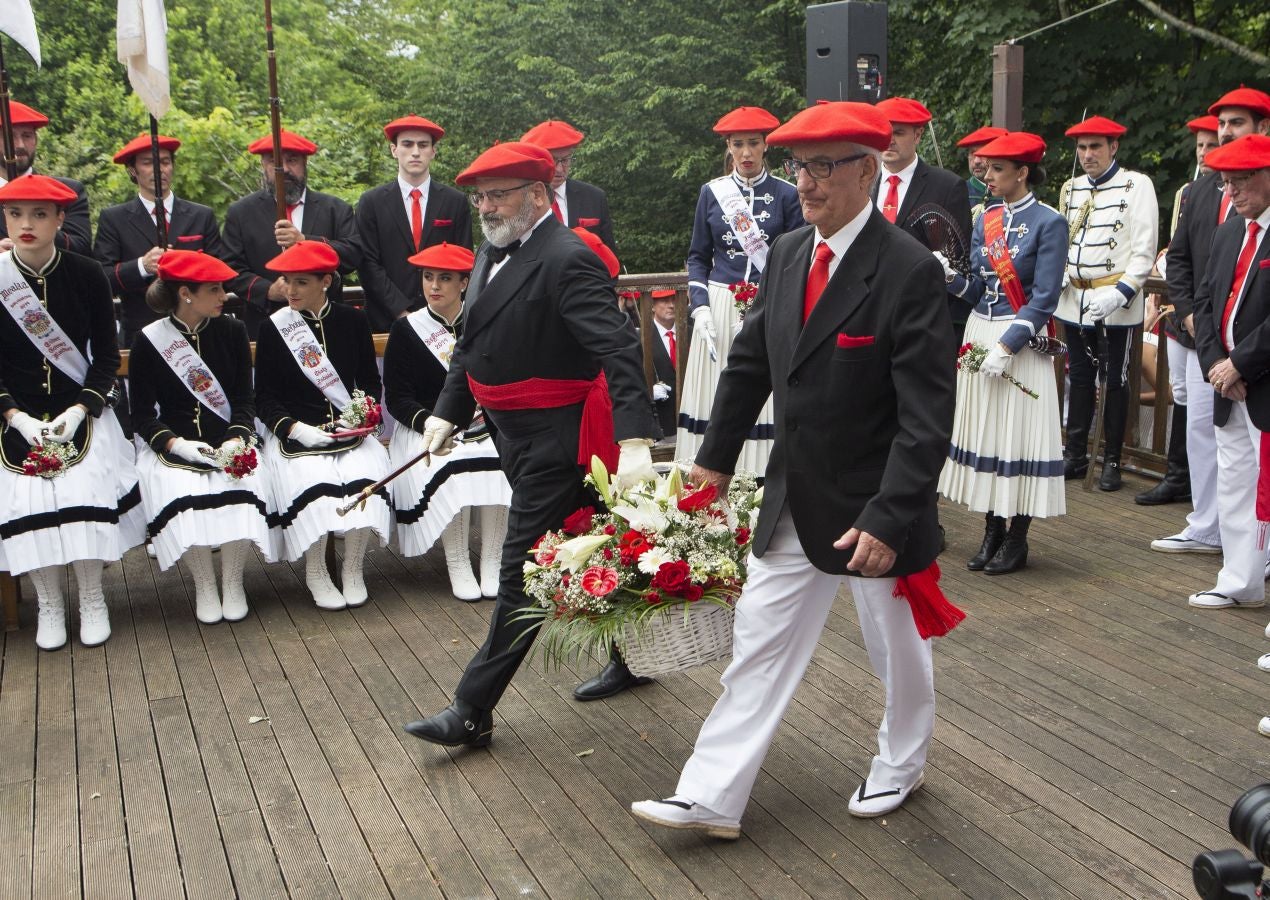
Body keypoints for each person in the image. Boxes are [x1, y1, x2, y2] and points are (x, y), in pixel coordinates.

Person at [631, 101, 955, 837]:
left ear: (867, 171)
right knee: (758, 641)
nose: (804, 183)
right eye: (798, 166)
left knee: (897, 652)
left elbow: (926, 417)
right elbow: (749, 366)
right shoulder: (785, 253)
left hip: (876, 506)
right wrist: (712, 463)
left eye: (822, 167)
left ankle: (902, 763)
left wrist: (889, 516)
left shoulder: (907, 269)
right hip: (794, 495)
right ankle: (711, 795)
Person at [402, 141, 656, 748]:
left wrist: (635, 439)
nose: (487, 207)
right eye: (480, 197)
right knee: (597, 542)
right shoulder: (489, 252)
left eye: (499, 195)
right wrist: (446, 411)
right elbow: (469, 344)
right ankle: (634, 658)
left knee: (521, 567)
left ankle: (472, 709)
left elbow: (619, 348)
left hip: (559, 439)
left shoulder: (567, 257)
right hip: (510, 434)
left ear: (538, 194)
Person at [0, 174, 145, 650]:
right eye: (15, 214)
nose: (26, 224)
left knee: (83, 487)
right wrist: (15, 416)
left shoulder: (86, 273)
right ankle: (48, 602)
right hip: (14, 416)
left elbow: (106, 357)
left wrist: (83, 409)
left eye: (39, 214)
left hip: (78, 409)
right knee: (25, 499)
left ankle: (91, 596)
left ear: (60, 219)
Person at [937, 132, 1069, 574]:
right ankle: (992, 528)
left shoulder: (1050, 223)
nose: (987, 175)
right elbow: (979, 289)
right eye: (987, 167)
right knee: (989, 433)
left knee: (1019, 433)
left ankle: (1017, 537)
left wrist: (1007, 345)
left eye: (997, 168)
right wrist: (951, 278)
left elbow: (1045, 297)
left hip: (1020, 340)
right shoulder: (986, 219)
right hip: (980, 331)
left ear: (1022, 172)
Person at [1153, 86, 1270, 554]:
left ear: (1263, 128)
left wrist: (1239, 361)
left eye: (1236, 123)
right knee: (1204, 431)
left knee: (1257, 458)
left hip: (1255, 356)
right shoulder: (1200, 189)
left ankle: (1256, 549)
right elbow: (1180, 259)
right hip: (1203, 341)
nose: (1224, 131)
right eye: (1221, 124)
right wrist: (1191, 319)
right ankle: (1206, 526)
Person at [128, 250, 273, 624]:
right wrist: (175, 444)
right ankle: (205, 585)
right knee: (179, 490)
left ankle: (234, 581)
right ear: (185, 294)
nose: (224, 296)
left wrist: (236, 438)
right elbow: (141, 414)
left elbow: (243, 400)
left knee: (246, 482)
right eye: (214, 289)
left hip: (228, 439)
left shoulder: (232, 331)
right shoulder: (149, 340)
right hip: (175, 445)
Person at [254, 240, 391, 610]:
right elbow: (263, 397)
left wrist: (363, 414)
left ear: (326, 281)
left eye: (301, 282)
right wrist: (293, 428)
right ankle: (316, 571)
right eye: (287, 281)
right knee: (312, 481)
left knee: (367, 475)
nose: (291, 290)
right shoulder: (273, 329)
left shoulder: (353, 321)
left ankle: (353, 569)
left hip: (349, 432)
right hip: (298, 434)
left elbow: (369, 381)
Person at [382, 241, 510, 600]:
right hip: (424, 428)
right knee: (453, 464)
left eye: (445, 278)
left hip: (483, 423)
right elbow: (397, 399)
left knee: (501, 461)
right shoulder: (407, 330)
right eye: (428, 277)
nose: (434, 286)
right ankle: (457, 561)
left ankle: (493, 560)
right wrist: (430, 423)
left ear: (464, 283)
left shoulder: (483, 322)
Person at [678, 106, 803, 470]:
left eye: (753, 143)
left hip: (769, 302)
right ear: (728, 147)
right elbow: (697, 257)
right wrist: (700, 307)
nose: (746, 152)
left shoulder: (788, 194)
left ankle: (763, 479)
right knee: (718, 392)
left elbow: (796, 259)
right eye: (737, 144)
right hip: (719, 306)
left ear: (766, 145)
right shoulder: (711, 193)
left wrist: (776, 307)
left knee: (761, 390)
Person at [1187, 133, 1270, 611]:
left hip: (1262, 380)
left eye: (1240, 181)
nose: (1231, 192)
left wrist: (1239, 363)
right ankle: (1239, 581)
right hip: (1229, 383)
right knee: (1235, 482)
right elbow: (1205, 302)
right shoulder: (1228, 233)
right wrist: (1217, 365)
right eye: (1225, 182)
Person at [1055, 115, 1160, 491]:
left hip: (1116, 302)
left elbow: (1144, 250)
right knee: (1080, 378)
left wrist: (1121, 293)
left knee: (1115, 379)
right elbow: (1064, 240)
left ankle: (1112, 460)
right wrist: (1061, 271)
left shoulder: (1137, 185)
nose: (1087, 154)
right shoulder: (1071, 188)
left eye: (1095, 146)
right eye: (1082, 147)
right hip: (1074, 300)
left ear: (1113, 147)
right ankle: (1075, 456)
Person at [1135, 114, 1220, 507]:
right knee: (1183, 393)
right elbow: (1178, 250)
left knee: (1207, 405)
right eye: (1200, 146)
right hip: (1184, 311)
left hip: (1217, 314)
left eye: (1211, 145)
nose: (1204, 152)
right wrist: (1183, 308)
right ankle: (1178, 476)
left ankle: (1200, 490)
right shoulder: (1191, 191)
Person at [222, 129, 362, 339]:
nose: (284, 169)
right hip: (266, 326)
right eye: (274, 162)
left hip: (326, 327)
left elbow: (353, 254)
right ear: (263, 165)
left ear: (305, 164)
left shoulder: (335, 209)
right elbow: (230, 268)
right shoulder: (241, 213)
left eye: (292, 160)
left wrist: (305, 241)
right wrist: (268, 290)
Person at [93, 133, 225, 346]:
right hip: (141, 334)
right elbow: (102, 279)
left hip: (198, 331)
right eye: (148, 163)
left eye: (164, 162)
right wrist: (142, 266)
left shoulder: (202, 215)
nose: (159, 169)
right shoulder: (114, 219)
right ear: (132, 170)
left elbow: (220, 270)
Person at [355, 115, 473, 333]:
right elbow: (368, 264)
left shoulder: (455, 201)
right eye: (407, 144)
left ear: (433, 151)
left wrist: (439, 312)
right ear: (394, 150)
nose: (416, 152)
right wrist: (402, 312)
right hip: (387, 321)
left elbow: (463, 259)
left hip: (443, 320)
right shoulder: (371, 202)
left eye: (423, 145)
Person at [872, 97, 974, 341]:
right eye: (884, 132)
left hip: (922, 316)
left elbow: (960, 260)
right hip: (870, 310)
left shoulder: (947, 186)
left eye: (898, 133)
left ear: (918, 135)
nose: (890, 140)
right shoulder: (861, 181)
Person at [0, 100, 91, 257]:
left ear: (36, 140)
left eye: (27, 136)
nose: (20, 145)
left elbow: (82, 249)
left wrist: (41, 234)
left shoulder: (67, 190)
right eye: (10, 137)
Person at [521, 119, 615, 253]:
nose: (559, 169)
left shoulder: (594, 197)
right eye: (552, 160)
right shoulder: (519, 199)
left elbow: (608, 255)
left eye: (565, 160)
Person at [649, 288, 681, 438]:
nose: (671, 305)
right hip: (659, 422)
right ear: (652, 305)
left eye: (674, 300)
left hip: (690, 418)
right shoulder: (641, 337)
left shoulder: (692, 332)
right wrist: (649, 391)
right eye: (664, 300)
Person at [956, 125, 1008, 217]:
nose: (977, 161)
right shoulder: (959, 192)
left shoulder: (1013, 193)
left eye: (983, 153)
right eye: (973, 153)